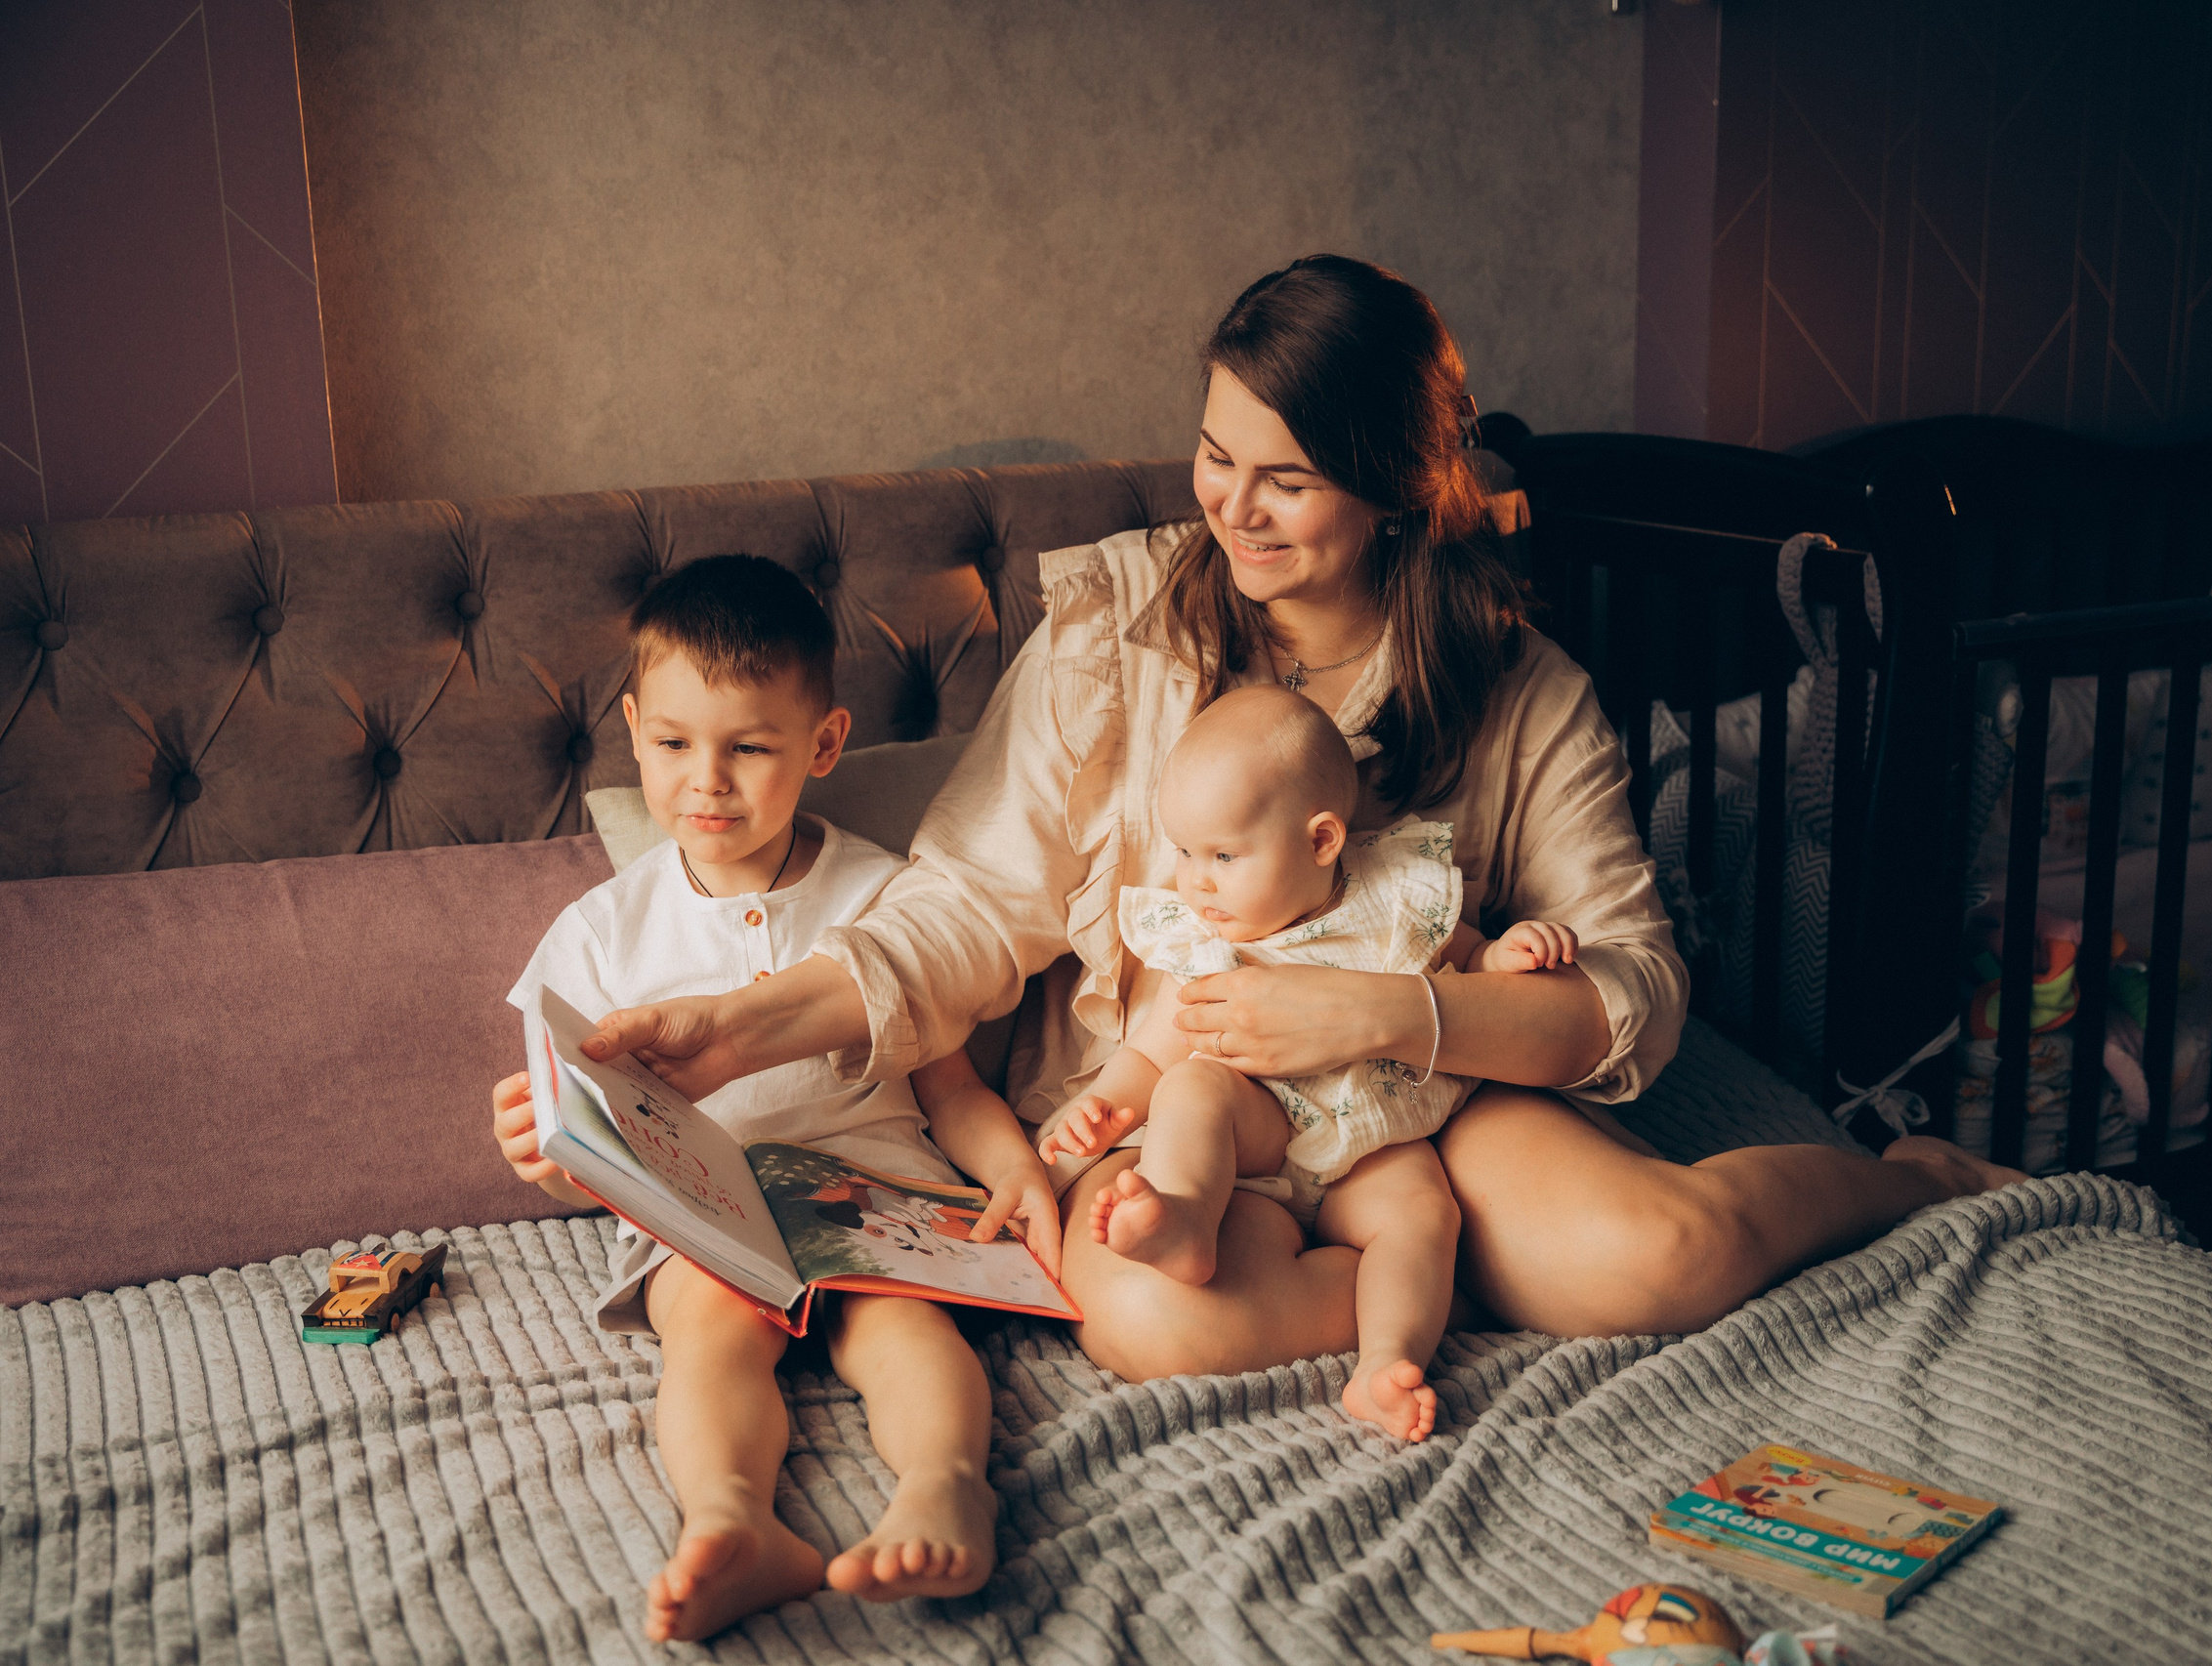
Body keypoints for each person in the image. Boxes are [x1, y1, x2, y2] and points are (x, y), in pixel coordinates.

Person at [577, 256, 2021, 1394]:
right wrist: (746, 1024)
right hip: (1191, 1100)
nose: (1234, 510)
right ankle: (1421, 1280)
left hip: (1429, 1099)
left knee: (1663, 1257)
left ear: (1397, 487)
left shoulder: (1521, 691)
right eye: (1216, 457)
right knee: (1145, 1315)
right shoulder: (1119, 633)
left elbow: (1632, 995)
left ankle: (1893, 1180)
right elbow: (969, 901)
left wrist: (1382, 1007)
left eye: (1287, 479)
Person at [486, 556, 1059, 1641]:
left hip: (875, 1194)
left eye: (748, 747)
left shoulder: (886, 896)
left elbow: (950, 1085)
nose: (706, 781)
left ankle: (946, 1481)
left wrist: (1016, 1164)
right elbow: (586, 1158)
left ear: (824, 743)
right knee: (704, 1329)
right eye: (671, 744)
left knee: (903, 1328)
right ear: (632, 729)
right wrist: (551, 1157)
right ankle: (733, 1519)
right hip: (706, 1216)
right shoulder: (600, 933)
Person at [1034, 684, 1582, 1442]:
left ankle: (1386, 1363)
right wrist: (1103, 1109)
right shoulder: (1203, 938)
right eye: (1186, 852)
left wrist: (1503, 954)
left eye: (1224, 855)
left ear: (1322, 840)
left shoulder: (1395, 894)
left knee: (1424, 1216)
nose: (1196, 880)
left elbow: (1460, 956)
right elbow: (1153, 1052)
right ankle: (1187, 1216)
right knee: (1195, 1086)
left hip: (1378, 1138)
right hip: (1261, 1132)